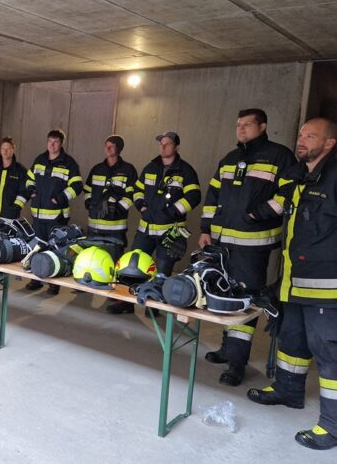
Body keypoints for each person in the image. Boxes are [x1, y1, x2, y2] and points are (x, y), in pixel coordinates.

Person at [245, 118, 337, 450]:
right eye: (300, 134)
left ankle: (332, 426)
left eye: (310, 136)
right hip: (294, 282)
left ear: (329, 143)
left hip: (326, 287)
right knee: (292, 340)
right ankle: (288, 390)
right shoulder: (300, 177)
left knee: (328, 352)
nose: (301, 140)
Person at [199, 109, 295, 386]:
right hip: (222, 244)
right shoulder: (230, 158)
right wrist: (205, 229)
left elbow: (289, 193)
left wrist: (259, 213)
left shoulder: (279, 156)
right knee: (224, 295)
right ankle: (227, 349)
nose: (240, 129)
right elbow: (213, 195)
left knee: (245, 301)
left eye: (247, 124)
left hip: (253, 245)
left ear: (262, 126)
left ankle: (237, 363)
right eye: (238, 124)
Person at [131, 131, 200, 280]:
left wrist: (172, 211)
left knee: (162, 275)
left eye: (167, 144)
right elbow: (137, 190)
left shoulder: (186, 171)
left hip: (170, 233)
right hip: (145, 231)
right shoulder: (150, 168)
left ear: (177, 147)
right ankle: (131, 297)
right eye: (161, 144)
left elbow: (194, 196)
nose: (163, 147)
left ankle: (156, 295)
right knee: (134, 268)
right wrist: (141, 207)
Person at [83, 135, 138, 313]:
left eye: (112, 146)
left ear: (119, 149)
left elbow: (132, 194)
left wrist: (118, 208)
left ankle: (117, 296)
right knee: (93, 258)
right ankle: (92, 284)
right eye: (106, 145)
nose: (108, 149)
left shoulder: (128, 170)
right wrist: (90, 205)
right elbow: (87, 190)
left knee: (115, 262)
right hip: (95, 225)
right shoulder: (97, 169)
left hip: (116, 227)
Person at [25, 129, 83, 295]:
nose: (52, 144)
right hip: (38, 215)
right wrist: (31, 190)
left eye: (56, 141)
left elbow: (77, 186)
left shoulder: (69, 163)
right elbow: (29, 178)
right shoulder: (39, 160)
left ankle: (53, 284)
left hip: (57, 216)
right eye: (50, 141)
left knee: (55, 249)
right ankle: (35, 279)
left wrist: (60, 198)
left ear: (61, 143)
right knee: (37, 247)